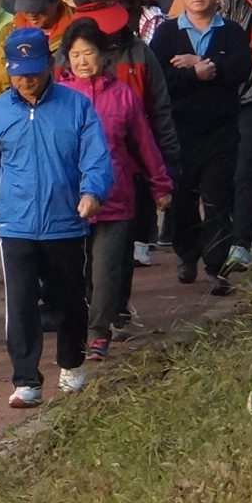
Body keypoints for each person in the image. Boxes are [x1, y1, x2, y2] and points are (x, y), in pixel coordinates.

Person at [0, 25, 113, 409]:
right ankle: (26, 379)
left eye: (33, 72)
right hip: (15, 224)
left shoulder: (76, 106)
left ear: (50, 65)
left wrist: (92, 192)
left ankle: (71, 363)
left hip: (65, 222)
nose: (26, 81)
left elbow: (96, 157)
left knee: (69, 299)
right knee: (19, 303)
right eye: (19, 73)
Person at [57, 21, 166, 362]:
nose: (82, 61)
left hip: (115, 197)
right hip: (69, 200)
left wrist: (160, 184)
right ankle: (74, 328)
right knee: (72, 272)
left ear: (104, 56)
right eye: (74, 54)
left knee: (106, 271)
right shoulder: (58, 96)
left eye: (88, 53)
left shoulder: (123, 95)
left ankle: (98, 333)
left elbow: (144, 145)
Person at [152, 0, 246, 287]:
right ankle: (186, 254)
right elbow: (159, 79)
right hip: (179, 132)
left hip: (221, 130)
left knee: (218, 198)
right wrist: (193, 73)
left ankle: (216, 265)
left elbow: (239, 71)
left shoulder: (231, 32)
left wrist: (206, 65)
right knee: (182, 200)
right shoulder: (166, 33)